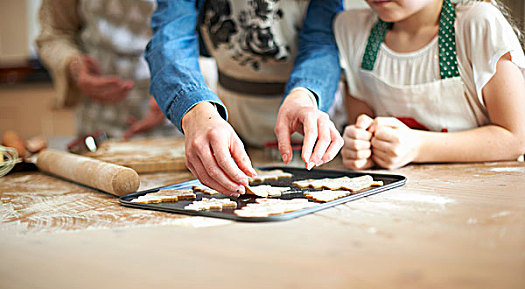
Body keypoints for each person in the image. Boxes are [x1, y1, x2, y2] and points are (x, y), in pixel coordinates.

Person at [146, 0, 344, 196]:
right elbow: (171, 40)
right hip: (231, 124)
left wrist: (305, 96)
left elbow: (322, 43)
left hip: (311, 131)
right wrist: (195, 111)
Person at [335, 0, 525, 170]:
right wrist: (361, 148)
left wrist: (418, 147)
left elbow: (517, 138)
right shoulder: (352, 29)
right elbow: (363, 127)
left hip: (484, 191)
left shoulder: (478, 23)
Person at [36, 0, 179, 139]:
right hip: (96, 121)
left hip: (171, 121)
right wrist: (75, 66)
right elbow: (54, 34)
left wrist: (174, 82)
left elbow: (193, 34)